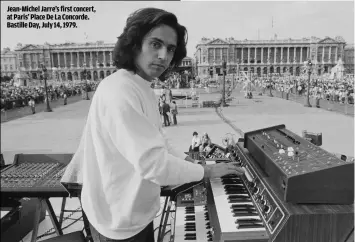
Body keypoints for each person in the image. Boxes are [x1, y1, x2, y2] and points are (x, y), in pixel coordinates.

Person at [61, 8, 244, 242]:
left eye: (170, 49)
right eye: (155, 44)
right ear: (135, 43)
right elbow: (153, 165)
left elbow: (158, 139)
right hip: (118, 221)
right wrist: (205, 171)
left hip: (128, 211)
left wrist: (188, 162)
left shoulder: (138, 85)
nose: (163, 55)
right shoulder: (121, 91)